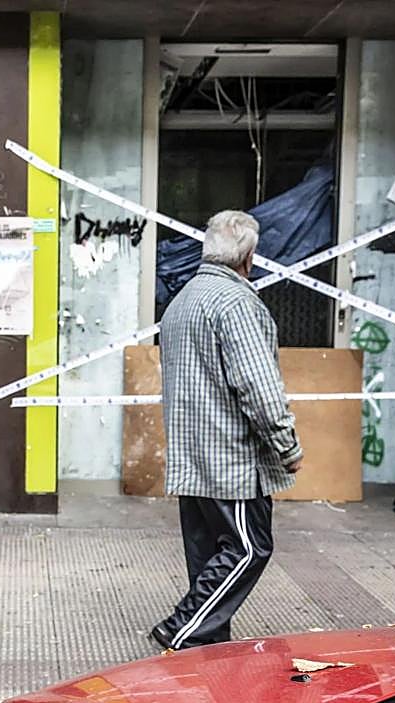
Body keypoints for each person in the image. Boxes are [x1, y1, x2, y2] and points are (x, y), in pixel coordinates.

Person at [149, 210, 302, 651]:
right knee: (249, 547)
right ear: (249, 256)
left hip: (191, 455)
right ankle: (184, 629)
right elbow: (259, 385)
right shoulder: (235, 303)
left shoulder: (183, 301)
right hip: (230, 460)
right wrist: (285, 445)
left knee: (207, 557)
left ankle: (207, 649)